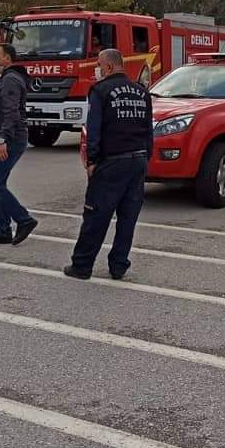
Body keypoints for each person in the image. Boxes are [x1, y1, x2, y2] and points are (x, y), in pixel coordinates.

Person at [64, 48, 152, 280]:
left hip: (112, 161)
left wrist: (91, 160)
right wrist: (146, 159)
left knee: (96, 216)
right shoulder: (141, 92)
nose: (97, 69)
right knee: (127, 218)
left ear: (109, 67)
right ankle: (119, 265)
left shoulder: (100, 91)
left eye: (99, 65)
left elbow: (94, 129)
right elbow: (148, 130)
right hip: (138, 159)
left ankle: (82, 266)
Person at [0, 43, 37, 245]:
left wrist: (3, 139)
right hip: (1, 137)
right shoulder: (4, 78)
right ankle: (3, 229)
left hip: (10, 139)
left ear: (8, 59)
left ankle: (24, 219)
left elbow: (11, 112)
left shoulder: (11, 80)